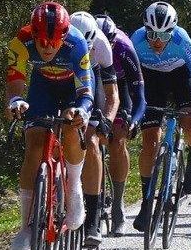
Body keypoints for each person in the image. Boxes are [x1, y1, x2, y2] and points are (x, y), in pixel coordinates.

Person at [5, 2, 93, 250]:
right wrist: (16, 100)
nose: (47, 47)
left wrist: (82, 111)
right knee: (34, 144)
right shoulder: (21, 41)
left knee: (71, 126)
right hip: (42, 85)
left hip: (72, 89)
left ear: (64, 37)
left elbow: (86, 92)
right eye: (42, 41)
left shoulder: (77, 43)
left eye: (53, 42)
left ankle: (74, 187)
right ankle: (26, 226)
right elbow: (14, 83)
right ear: (33, 34)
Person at [130, 2, 191, 233]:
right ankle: (147, 201)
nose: (157, 40)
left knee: (190, 124)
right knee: (149, 142)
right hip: (151, 80)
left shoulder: (182, 40)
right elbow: (127, 79)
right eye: (152, 34)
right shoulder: (136, 40)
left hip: (180, 77)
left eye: (164, 35)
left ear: (172, 32)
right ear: (145, 30)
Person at [70, 12, 120, 248]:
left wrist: (107, 120)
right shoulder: (63, 40)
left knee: (91, 141)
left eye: (87, 47)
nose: (84, 51)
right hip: (64, 75)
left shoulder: (102, 47)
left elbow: (112, 94)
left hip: (92, 78)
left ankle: (92, 220)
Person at [95, 14, 146, 237]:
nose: (106, 48)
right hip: (95, 84)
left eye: (110, 44)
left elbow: (140, 95)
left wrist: (134, 120)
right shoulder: (85, 43)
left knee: (117, 138)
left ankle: (117, 205)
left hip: (120, 87)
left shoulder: (124, 48)